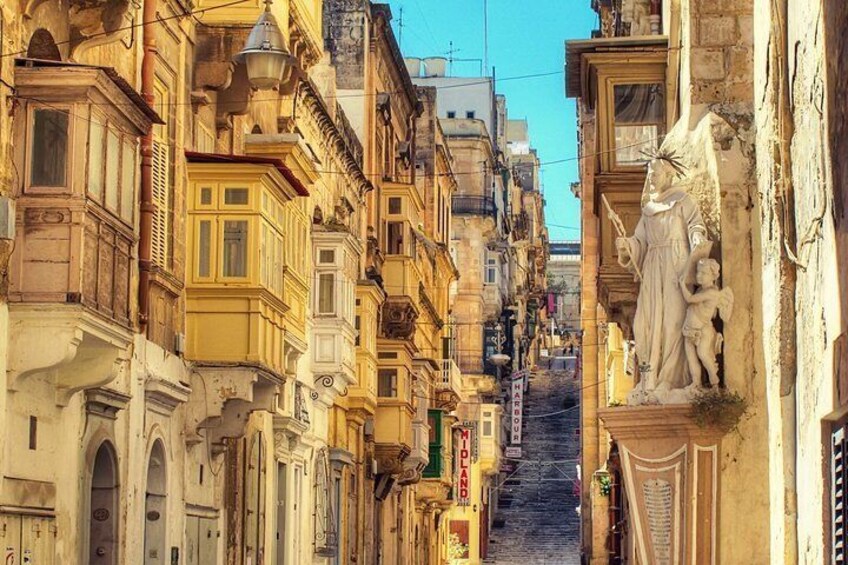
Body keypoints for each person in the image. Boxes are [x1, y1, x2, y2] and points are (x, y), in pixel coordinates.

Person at [615, 148, 709, 394]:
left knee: (673, 321)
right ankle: (650, 378)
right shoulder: (649, 209)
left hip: (676, 266)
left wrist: (697, 238)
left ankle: (671, 379)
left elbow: (696, 224)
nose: (651, 178)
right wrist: (627, 246)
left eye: (655, 173)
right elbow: (640, 241)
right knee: (643, 324)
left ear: (668, 175)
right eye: (649, 173)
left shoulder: (683, 201)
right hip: (652, 268)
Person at [679, 259, 734, 387]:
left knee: (703, 355)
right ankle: (696, 382)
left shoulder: (712, 293)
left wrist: (682, 284)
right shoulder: (701, 290)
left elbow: (690, 299)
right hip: (690, 329)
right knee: (691, 358)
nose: (699, 276)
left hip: (703, 330)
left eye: (703, 273)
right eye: (698, 272)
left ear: (713, 276)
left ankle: (715, 382)